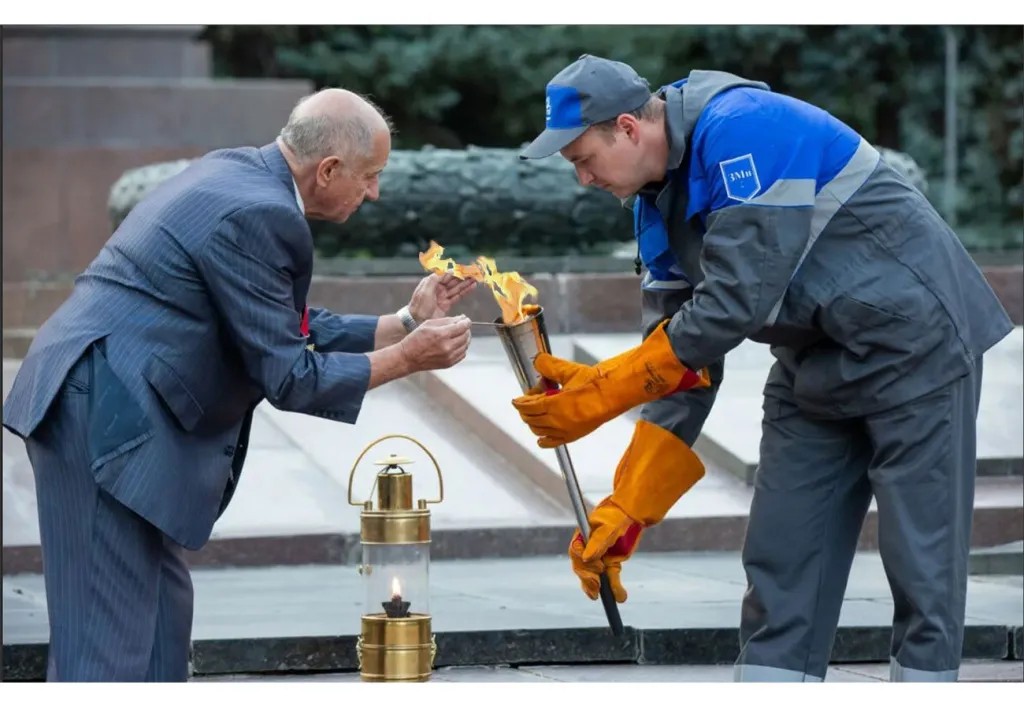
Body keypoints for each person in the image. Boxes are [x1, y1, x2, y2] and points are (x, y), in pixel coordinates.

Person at [512, 55, 1013, 682]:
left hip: (918, 347)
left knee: (922, 567)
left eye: (583, 158)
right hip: (816, 362)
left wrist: (604, 390)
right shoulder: (652, 206)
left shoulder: (744, 126)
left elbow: (735, 302)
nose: (582, 178)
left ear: (629, 128)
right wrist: (628, 506)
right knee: (782, 560)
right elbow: (683, 364)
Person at [1, 88, 476, 682]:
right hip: (105, 415)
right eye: (370, 175)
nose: (374, 192)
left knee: (160, 633)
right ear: (329, 170)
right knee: (105, 653)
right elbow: (290, 377)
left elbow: (275, 321)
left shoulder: (240, 175)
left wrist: (405, 321)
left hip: (110, 404)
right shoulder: (260, 212)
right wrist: (409, 358)